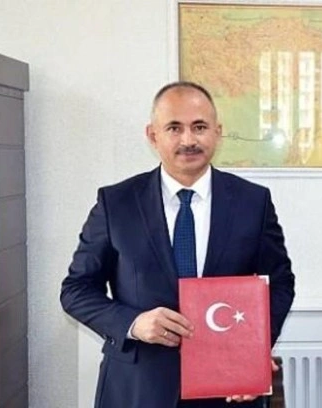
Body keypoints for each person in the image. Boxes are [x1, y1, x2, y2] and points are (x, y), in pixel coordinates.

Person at [60, 81, 295, 408]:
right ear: (153, 135)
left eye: (199, 127)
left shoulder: (253, 202)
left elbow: (280, 283)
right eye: (174, 128)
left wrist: (253, 352)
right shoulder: (116, 203)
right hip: (139, 389)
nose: (188, 140)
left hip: (228, 389)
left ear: (217, 132)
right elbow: (76, 290)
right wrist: (134, 323)